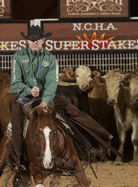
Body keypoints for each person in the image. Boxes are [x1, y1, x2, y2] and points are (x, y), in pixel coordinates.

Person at [9, 25, 113, 171]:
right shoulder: (18, 57)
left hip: (46, 94)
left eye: (37, 39)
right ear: (27, 41)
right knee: (17, 126)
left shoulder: (50, 58)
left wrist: (45, 100)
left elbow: (52, 83)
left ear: (43, 40)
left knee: (73, 111)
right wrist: (28, 89)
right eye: (31, 40)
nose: (34, 42)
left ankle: (103, 135)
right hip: (23, 96)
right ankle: (17, 160)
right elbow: (15, 82)